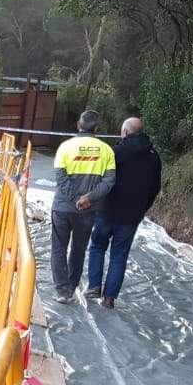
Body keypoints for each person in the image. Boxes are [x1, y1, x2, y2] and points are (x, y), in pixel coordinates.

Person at [85, 117, 161, 308]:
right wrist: (142, 208)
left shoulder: (115, 152)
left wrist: (93, 199)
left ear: (125, 132)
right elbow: (155, 188)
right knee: (119, 255)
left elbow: (103, 180)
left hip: (107, 210)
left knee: (97, 246)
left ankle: (94, 285)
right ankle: (110, 298)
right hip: (131, 216)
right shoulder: (153, 157)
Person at [50, 110, 116, 301]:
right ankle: (70, 289)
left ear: (79, 125)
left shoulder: (65, 147)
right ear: (96, 128)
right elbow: (109, 181)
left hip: (62, 207)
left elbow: (61, 179)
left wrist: (74, 198)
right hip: (88, 210)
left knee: (58, 248)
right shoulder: (106, 150)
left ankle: (62, 291)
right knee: (78, 250)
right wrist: (88, 199)